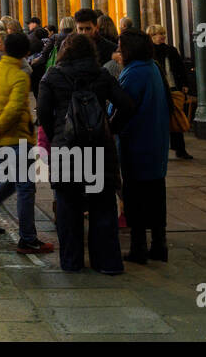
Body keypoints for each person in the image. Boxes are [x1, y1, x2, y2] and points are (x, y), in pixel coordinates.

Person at [36, 34, 136, 274]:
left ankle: (72, 262)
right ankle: (107, 262)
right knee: (102, 204)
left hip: (67, 148)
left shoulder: (52, 76)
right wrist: (110, 128)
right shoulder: (102, 75)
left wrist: (57, 135)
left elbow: (43, 114)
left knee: (68, 206)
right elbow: (127, 105)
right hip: (98, 146)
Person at [0, 32, 54, 254]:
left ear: (3, 48)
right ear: (26, 53)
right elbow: (14, 109)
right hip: (16, 138)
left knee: (11, 182)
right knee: (25, 187)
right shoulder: (20, 76)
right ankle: (28, 239)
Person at [115, 31, 171, 264]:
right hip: (156, 140)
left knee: (135, 196)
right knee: (156, 194)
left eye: (120, 47)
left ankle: (139, 247)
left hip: (136, 142)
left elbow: (122, 107)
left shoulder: (134, 73)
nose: (118, 52)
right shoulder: (153, 67)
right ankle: (159, 244)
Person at [148, 24, 193, 160]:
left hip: (173, 87)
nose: (162, 36)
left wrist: (184, 84)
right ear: (151, 37)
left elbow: (180, 68)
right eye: (157, 34)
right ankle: (158, 150)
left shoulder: (171, 51)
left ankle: (180, 148)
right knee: (158, 121)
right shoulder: (149, 53)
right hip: (158, 89)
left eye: (163, 34)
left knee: (176, 118)